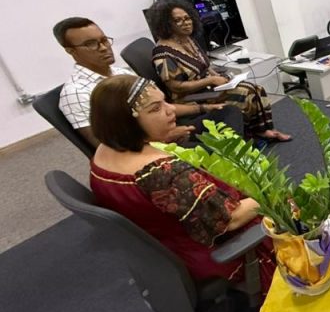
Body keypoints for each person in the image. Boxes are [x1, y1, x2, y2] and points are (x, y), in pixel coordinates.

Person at [89, 75, 276, 294]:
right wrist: (269, 195)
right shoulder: (161, 172)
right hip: (210, 254)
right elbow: (230, 220)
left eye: (165, 102)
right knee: (293, 214)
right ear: (126, 122)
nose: (170, 111)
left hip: (163, 251)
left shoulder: (103, 152)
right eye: (155, 109)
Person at [54, 17, 221, 149]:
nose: (103, 47)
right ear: (70, 51)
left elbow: (159, 106)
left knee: (228, 113)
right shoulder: (76, 92)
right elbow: (102, 145)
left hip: (166, 129)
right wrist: (161, 139)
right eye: (91, 44)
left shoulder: (122, 73)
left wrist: (203, 108)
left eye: (104, 40)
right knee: (221, 149)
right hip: (145, 148)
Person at [149, 0, 290, 142]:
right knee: (245, 92)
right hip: (189, 98)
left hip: (206, 88)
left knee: (256, 88)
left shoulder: (187, 39)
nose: (186, 23)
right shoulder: (163, 53)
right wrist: (210, 80)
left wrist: (221, 79)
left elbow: (205, 65)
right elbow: (175, 87)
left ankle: (263, 130)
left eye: (187, 18)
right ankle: (243, 136)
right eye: (178, 20)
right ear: (166, 24)